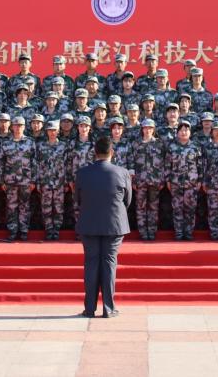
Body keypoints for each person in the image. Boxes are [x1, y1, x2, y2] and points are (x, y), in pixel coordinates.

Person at [75, 135, 132, 319]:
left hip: (89, 223)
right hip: (114, 224)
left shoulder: (82, 173)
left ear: (95, 152)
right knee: (109, 263)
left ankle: (89, 309)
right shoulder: (122, 172)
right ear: (112, 152)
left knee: (91, 263)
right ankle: (108, 308)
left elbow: (77, 199)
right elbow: (127, 200)